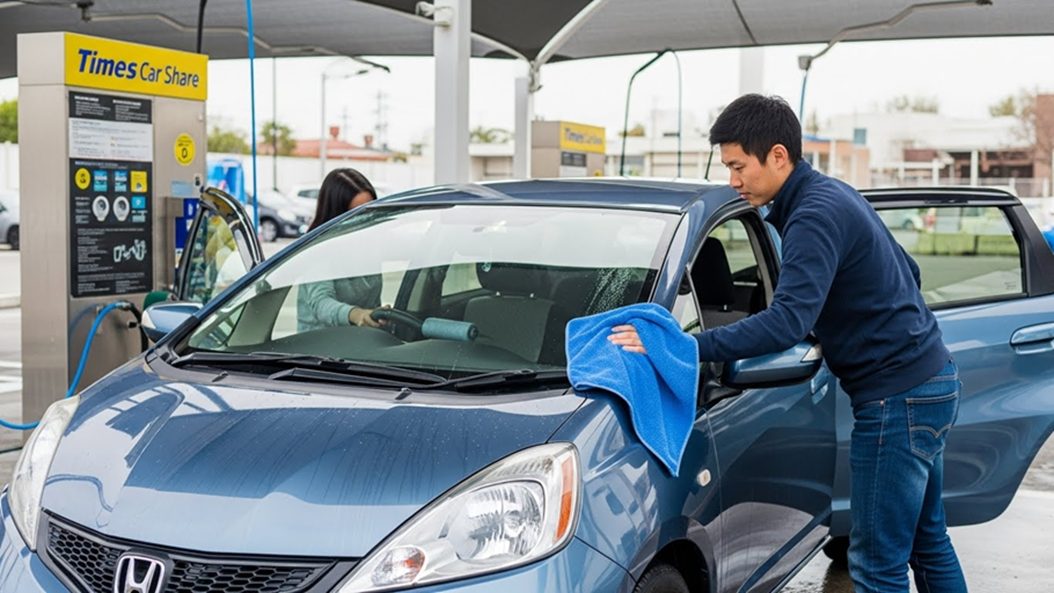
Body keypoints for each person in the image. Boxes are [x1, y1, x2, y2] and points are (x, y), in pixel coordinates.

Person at [608, 94, 967, 593]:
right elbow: (909, 270)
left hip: (895, 403)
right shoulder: (834, 194)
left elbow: (785, 324)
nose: (732, 181)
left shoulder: (813, 215)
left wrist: (684, 347)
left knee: (876, 566)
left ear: (778, 156)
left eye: (738, 166)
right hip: (931, 380)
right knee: (928, 544)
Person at [296, 168, 387, 332]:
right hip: (319, 349)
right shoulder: (317, 248)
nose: (365, 221)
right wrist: (357, 315)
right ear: (336, 215)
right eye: (356, 215)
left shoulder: (372, 244)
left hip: (362, 344)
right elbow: (321, 303)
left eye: (370, 212)